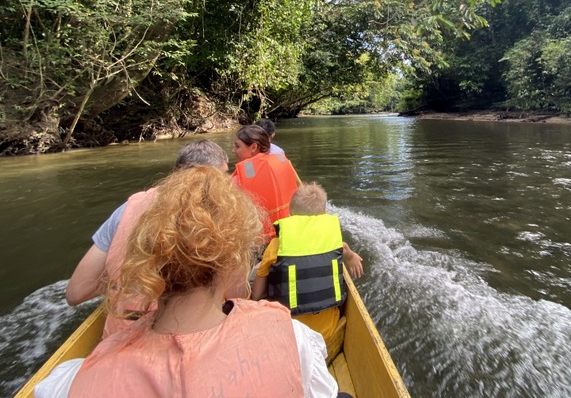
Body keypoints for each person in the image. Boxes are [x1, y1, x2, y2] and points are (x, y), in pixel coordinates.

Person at [38, 166, 340, 398]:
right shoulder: (292, 334)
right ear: (234, 263)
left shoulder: (69, 381)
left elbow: (75, 292)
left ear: (145, 262)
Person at [65, 140, 232, 336]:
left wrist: (128, 278)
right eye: (224, 175)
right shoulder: (217, 212)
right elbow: (236, 293)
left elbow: (75, 292)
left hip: (120, 333)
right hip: (178, 334)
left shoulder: (126, 210)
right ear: (211, 178)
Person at [251, 182, 364, 343]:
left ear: (290, 215)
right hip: (327, 332)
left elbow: (256, 294)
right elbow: (344, 248)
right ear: (324, 214)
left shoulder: (276, 245)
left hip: (288, 333)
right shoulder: (334, 239)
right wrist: (351, 257)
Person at [232, 125, 300, 238]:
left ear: (254, 147)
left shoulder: (237, 179)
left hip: (260, 239)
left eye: (237, 146)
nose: (233, 150)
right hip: (289, 233)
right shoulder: (284, 163)